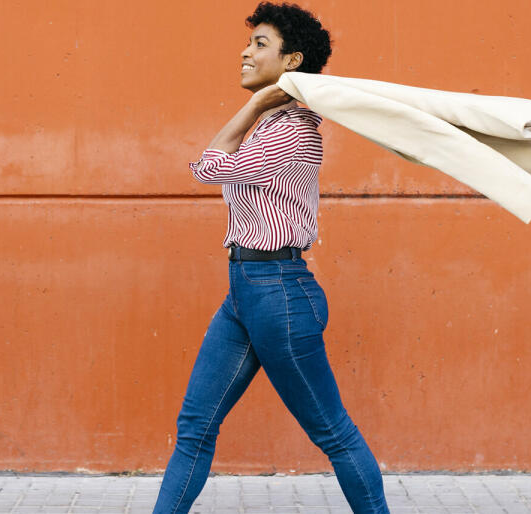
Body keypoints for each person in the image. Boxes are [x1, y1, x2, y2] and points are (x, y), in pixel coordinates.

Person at [152, 3, 391, 513]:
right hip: (245, 293)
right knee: (195, 426)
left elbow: (206, 167)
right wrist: (259, 105)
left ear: (292, 61)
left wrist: (257, 103)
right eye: (249, 42)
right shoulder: (268, 126)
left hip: (279, 294)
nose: (245, 50)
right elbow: (213, 163)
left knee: (333, 432)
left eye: (261, 44)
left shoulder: (291, 131)